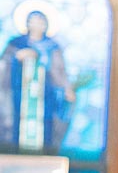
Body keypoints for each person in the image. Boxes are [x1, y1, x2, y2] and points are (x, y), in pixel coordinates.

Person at [2, 9, 73, 152]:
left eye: (40, 22)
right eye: (33, 21)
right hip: (18, 93)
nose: (36, 25)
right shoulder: (16, 44)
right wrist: (18, 57)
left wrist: (67, 88)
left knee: (45, 123)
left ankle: (44, 151)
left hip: (45, 95)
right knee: (15, 120)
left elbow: (59, 71)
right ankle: (14, 151)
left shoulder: (52, 46)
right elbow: (4, 66)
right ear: (27, 24)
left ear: (45, 25)